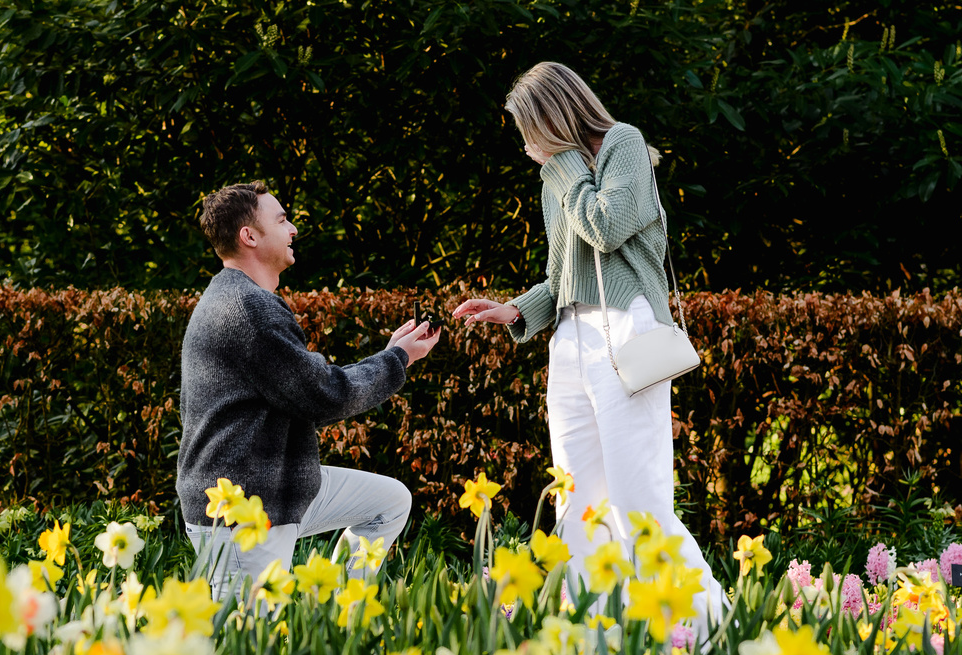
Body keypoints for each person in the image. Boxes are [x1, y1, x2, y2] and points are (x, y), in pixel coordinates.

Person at [452, 62, 726, 622]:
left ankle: (701, 626)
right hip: (571, 339)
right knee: (577, 504)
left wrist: (565, 165)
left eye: (529, 128)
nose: (527, 144)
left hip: (625, 328)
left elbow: (606, 225)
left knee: (638, 500)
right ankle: (592, 635)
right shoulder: (561, 178)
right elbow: (562, 275)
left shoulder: (620, 144)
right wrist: (514, 309)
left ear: (551, 118)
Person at [178, 180, 441, 598]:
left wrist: (393, 353)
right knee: (249, 653)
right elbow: (325, 395)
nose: (293, 228)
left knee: (389, 502)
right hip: (244, 511)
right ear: (249, 236)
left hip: (281, 485)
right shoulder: (248, 308)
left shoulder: (232, 296)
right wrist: (399, 359)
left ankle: (337, 610)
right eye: (281, 220)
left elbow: (315, 386)